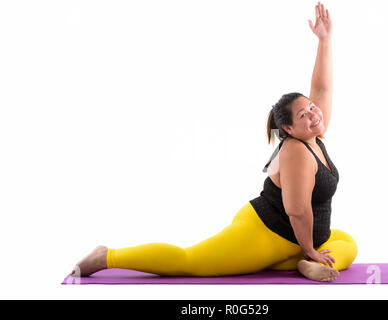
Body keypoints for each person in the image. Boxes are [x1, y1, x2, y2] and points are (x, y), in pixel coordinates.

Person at [71, 2, 357, 282]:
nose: (313, 113)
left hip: (299, 239)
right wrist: (309, 248)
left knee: (348, 243)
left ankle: (303, 263)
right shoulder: (297, 150)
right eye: (303, 114)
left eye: (312, 107)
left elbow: (322, 87)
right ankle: (107, 256)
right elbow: (297, 209)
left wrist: (324, 40)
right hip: (267, 233)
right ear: (288, 128)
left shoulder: (313, 133)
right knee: (190, 261)